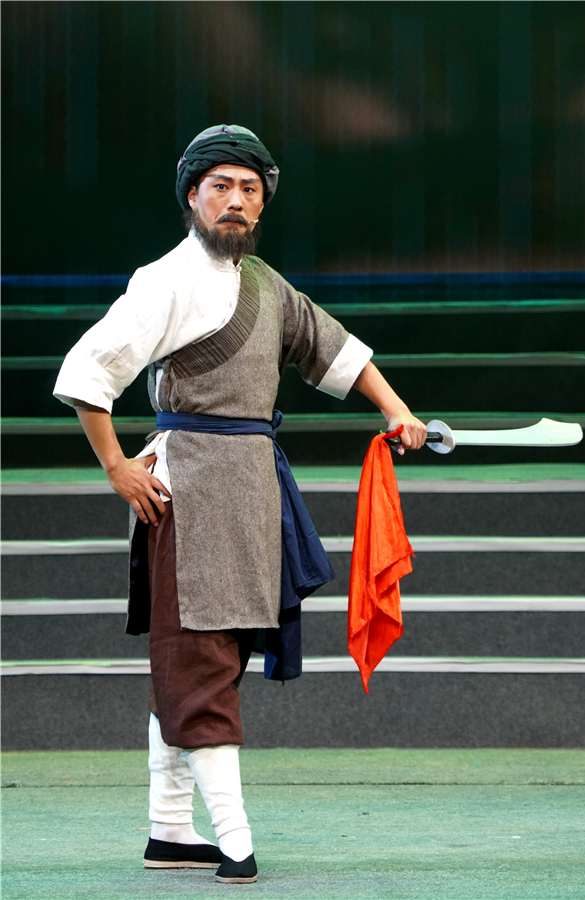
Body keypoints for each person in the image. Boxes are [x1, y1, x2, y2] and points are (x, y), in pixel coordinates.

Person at [53, 124, 426, 884]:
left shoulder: (266, 285)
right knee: (199, 662)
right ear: (193, 196)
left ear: (262, 204)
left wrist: (397, 410)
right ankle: (234, 841)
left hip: (251, 491)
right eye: (220, 186)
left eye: (250, 189)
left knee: (201, 662)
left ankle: (168, 829)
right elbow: (88, 371)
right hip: (188, 492)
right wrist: (117, 466)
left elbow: (335, 349)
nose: (236, 200)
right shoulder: (164, 279)